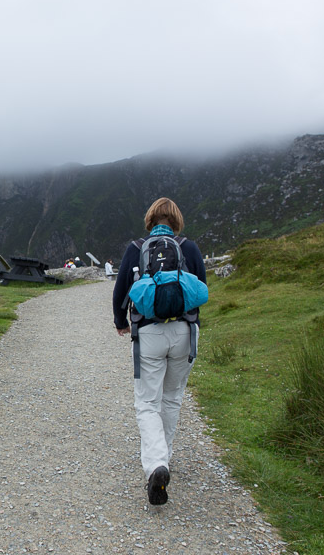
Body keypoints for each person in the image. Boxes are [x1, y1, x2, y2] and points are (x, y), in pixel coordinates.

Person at [111, 197, 206, 506]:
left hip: (148, 333)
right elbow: (200, 289)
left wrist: (119, 322)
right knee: (171, 398)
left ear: (150, 220)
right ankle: (163, 458)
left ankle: (156, 464)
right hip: (184, 333)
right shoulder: (188, 247)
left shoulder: (136, 248)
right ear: (176, 220)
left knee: (148, 403)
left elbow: (121, 290)